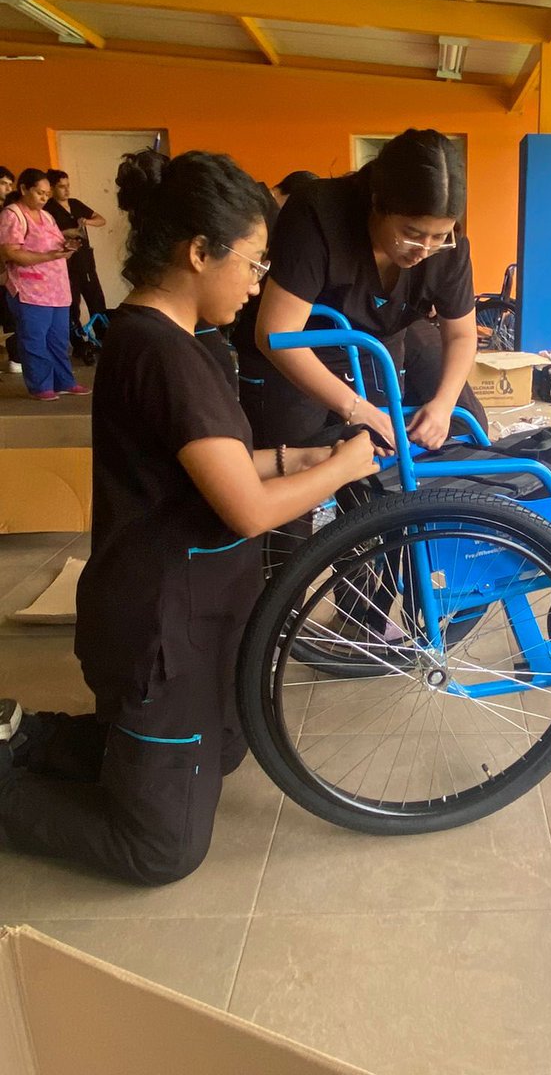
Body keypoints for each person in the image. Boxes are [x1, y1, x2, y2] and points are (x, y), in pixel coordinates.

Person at [0, 149, 378, 886]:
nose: (257, 284)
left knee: (228, 746)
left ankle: (35, 735)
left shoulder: (187, 341)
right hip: (157, 630)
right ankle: (17, 776)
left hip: (198, 611)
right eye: (252, 263)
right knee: (162, 851)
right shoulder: (161, 353)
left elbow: (218, 467)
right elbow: (243, 508)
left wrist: (298, 459)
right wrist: (341, 467)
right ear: (198, 251)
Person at [234, 129, 480, 452]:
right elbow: (275, 333)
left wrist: (443, 406)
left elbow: (462, 335)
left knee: (448, 430)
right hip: (302, 346)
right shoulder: (318, 214)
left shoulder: (449, 247)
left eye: (439, 237)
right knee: (303, 453)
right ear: (377, 202)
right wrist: (354, 408)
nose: (424, 249)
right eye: (412, 233)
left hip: (380, 340)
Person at [0, 169, 90, 400]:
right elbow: (10, 252)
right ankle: (41, 385)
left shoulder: (47, 216)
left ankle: (64, 381)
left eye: (47, 194)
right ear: (23, 190)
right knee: (34, 339)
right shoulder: (13, 215)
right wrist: (49, 256)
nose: (44, 198)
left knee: (58, 339)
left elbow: (54, 244)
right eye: (39, 193)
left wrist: (66, 247)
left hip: (57, 288)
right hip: (29, 290)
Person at [44, 169, 108, 365]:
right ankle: (79, 343)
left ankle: (103, 338)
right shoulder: (48, 209)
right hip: (65, 263)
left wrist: (86, 221)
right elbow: (44, 236)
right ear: (53, 188)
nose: (66, 190)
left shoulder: (76, 204)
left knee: (96, 298)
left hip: (85, 260)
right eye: (62, 187)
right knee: (72, 304)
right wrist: (66, 232)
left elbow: (101, 219)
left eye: (67, 186)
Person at [0, 165, 21, 371]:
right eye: (3, 183)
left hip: (8, 273)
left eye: (9, 184)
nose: (7, 188)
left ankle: (15, 358)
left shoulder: (10, 210)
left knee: (10, 316)